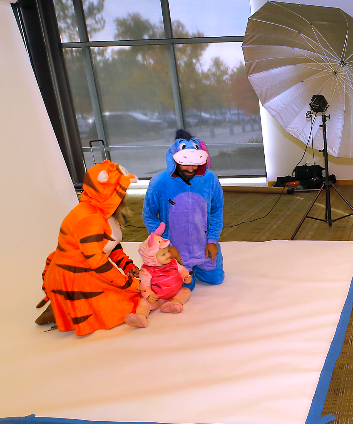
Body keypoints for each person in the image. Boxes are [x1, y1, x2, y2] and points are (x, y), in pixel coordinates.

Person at [37, 161, 143, 336]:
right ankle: (63, 306)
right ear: (108, 191)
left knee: (132, 296)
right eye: (120, 188)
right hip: (75, 277)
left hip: (86, 271)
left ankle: (62, 305)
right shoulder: (90, 218)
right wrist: (128, 284)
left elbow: (111, 245)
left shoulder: (103, 209)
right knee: (129, 301)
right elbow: (98, 262)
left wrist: (128, 266)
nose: (124, 194)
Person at [143, 130, 224, 290]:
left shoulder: (210, 179)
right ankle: (184, 269)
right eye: (185, 163)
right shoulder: (159, 182)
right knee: (187, 287)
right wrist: (166, 245)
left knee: (216, 279)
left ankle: (199, 267)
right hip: (176, 249)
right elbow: (149, 216)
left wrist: (212, 240)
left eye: (195, 163)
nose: (191, 168)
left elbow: (216, 210)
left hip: (203, 246)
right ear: (174, 160)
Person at [126, 222, 193, 328]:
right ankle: (140, 316)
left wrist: (186, 276)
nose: (168, 255)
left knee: (186, 291)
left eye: (167, 251)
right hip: (158, 297)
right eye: (163, 254)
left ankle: (174, 303)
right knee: (144, 302)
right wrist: (149, 295)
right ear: (151, 258)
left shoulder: (173, 262)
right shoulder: (147, 270)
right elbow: (144, 286)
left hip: (175, 292)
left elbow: (182, 270)